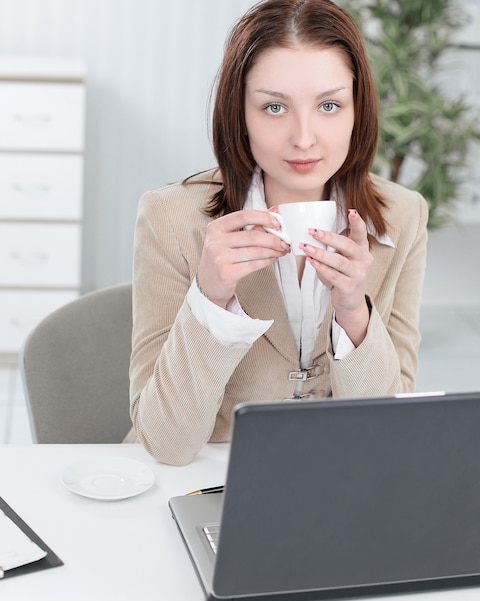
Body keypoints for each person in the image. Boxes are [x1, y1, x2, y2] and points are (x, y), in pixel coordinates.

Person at [124, 0, 428, 466]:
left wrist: (352, 311)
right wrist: (210, 298)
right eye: (273, 107)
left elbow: (390, 430)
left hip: (333, 478)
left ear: (357, 110)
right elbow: (166, 444)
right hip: (207, 478)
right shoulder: (170, 216)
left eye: (329, 105)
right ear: (240, 113)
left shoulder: (403, 217)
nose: (303, 138)